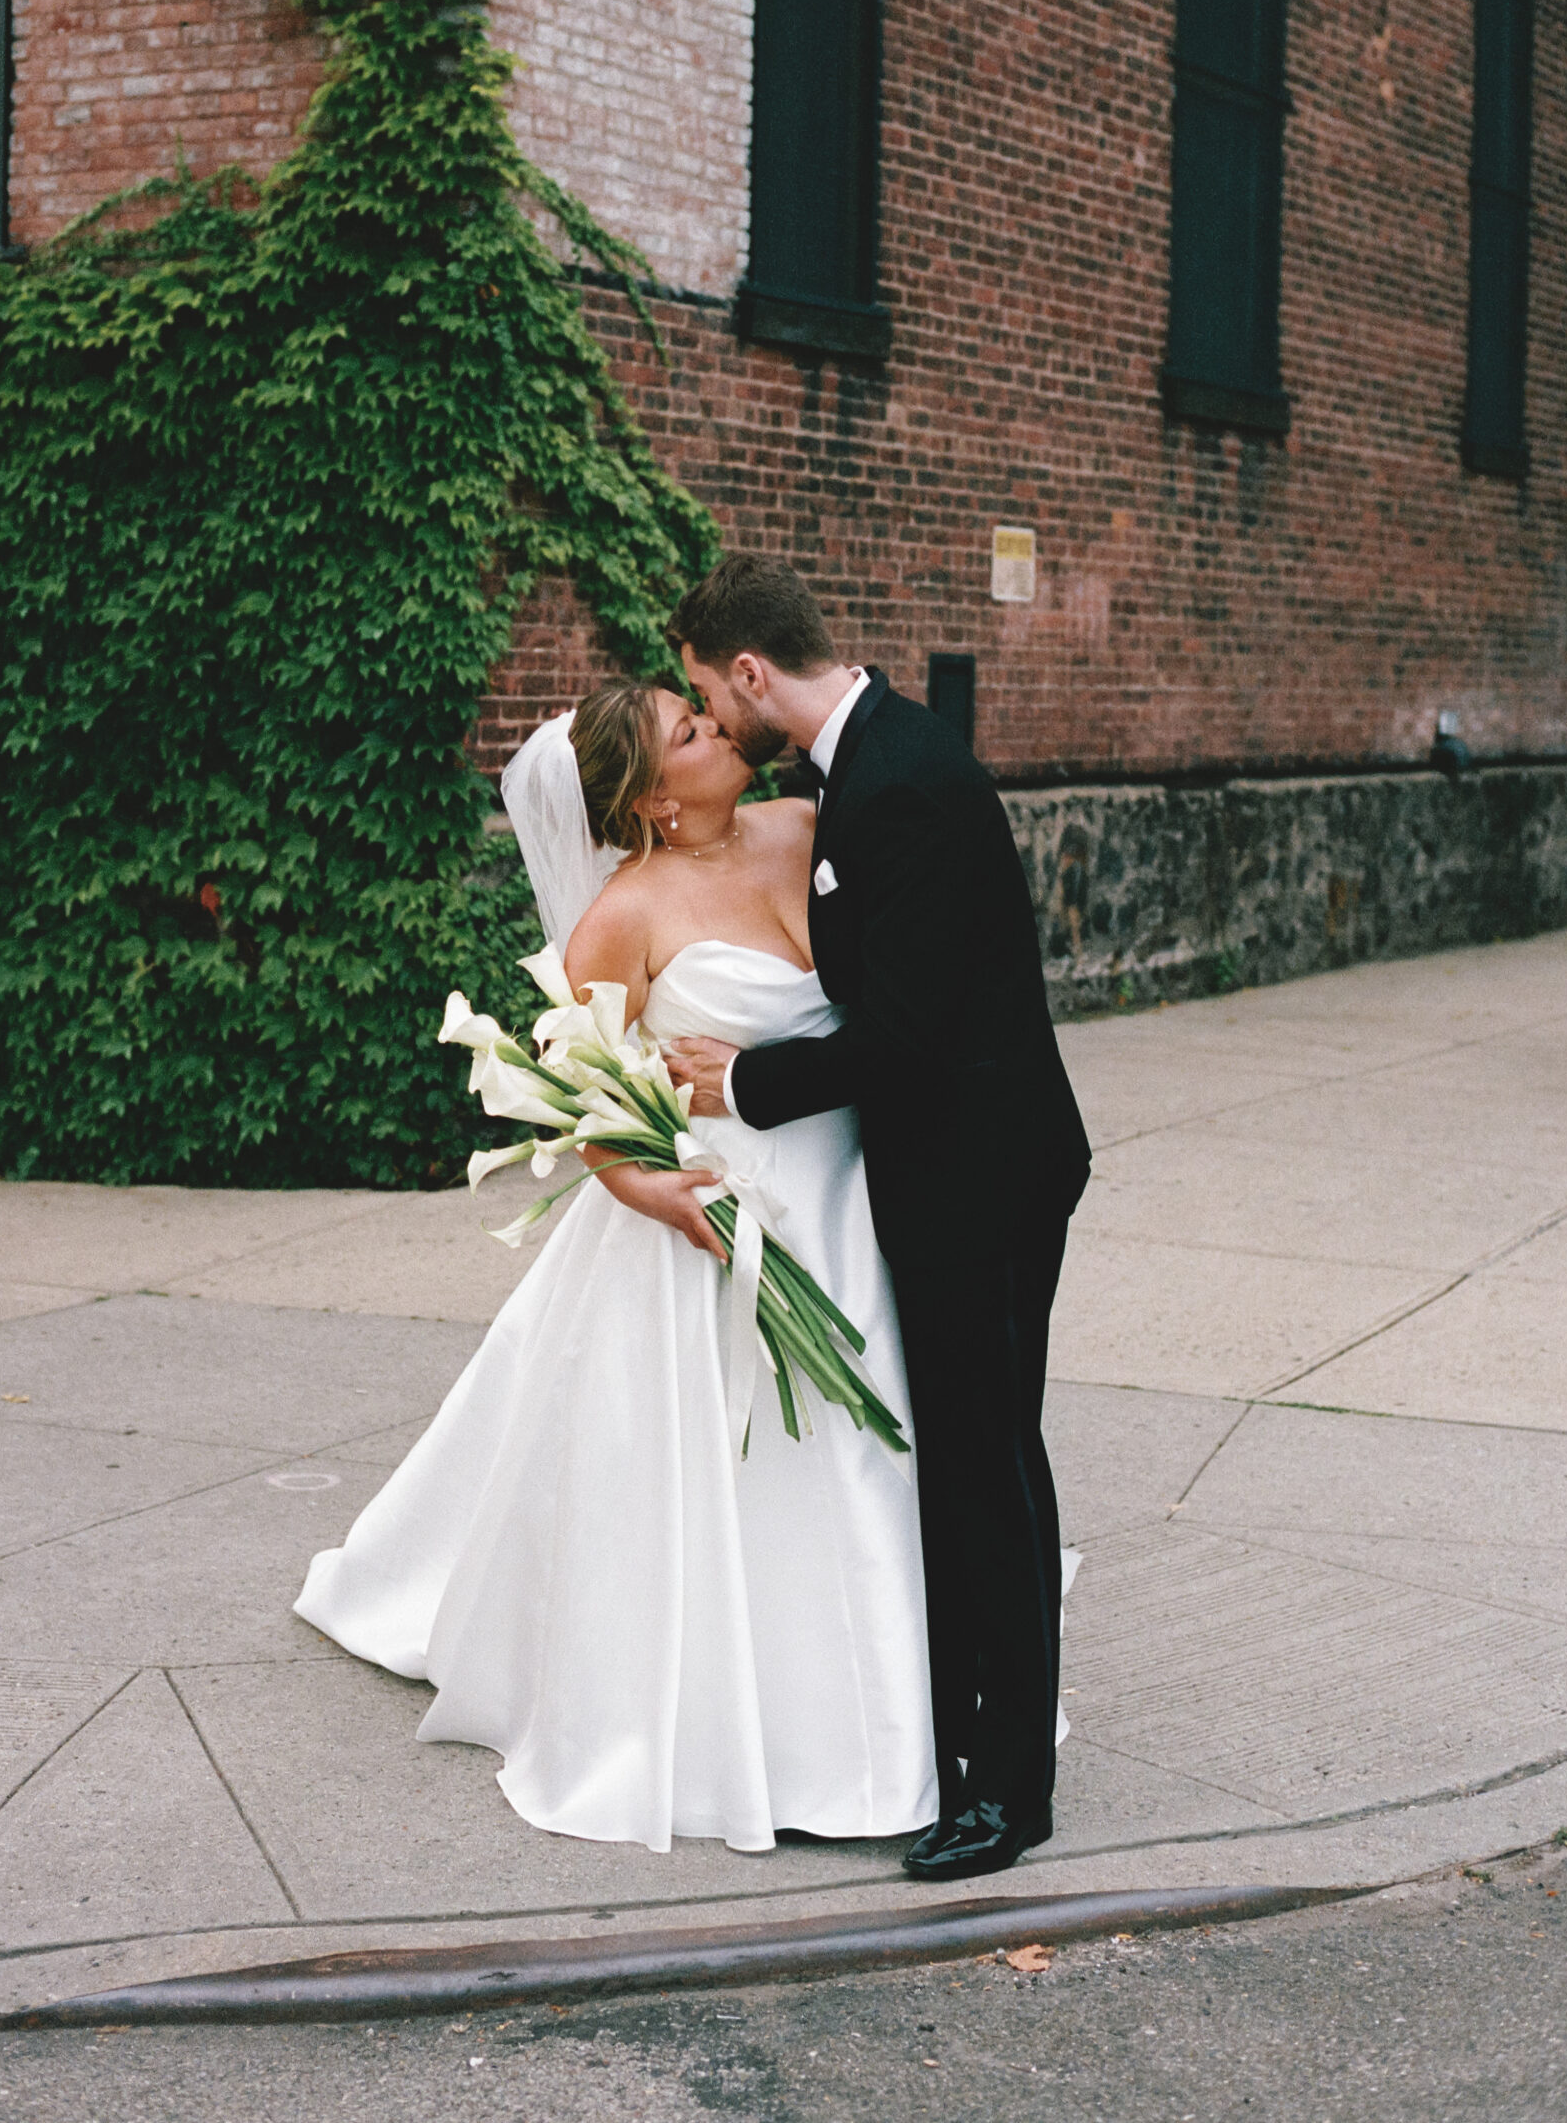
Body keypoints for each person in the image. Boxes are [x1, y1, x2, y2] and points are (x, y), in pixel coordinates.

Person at [295, 679, 939, 1855]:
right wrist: (652, 1191)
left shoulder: (808, 829)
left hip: (854, 1197)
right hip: (723, 1217)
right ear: (650, 797)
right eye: (689, 731)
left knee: (876, 1443)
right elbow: (590, 1102)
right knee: (773, 1460)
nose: (715, 728)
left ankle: (909, 1700)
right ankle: (794, 1732)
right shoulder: (625, 915)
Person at [667, 553, 1091, 1881]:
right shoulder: (861, 765)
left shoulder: (902, 784)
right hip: (970, 1162)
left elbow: (905, 1034)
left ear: (748, 674)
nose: (711, 719)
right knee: (978, 1458)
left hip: (979, 1175)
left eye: (701, 693)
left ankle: (1004, 1796)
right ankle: (981, 1751)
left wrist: (745, 1080)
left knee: (981, 1468)